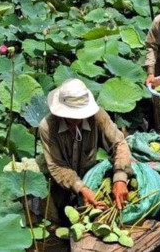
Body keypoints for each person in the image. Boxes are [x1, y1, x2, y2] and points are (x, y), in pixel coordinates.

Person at [39, 78, 133, 225]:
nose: (77, 119)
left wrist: (120, 178)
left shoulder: (97, 117)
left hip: (89, 178)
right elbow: (57, 167)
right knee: (56, 223)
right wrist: (80, 188)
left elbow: (119, 144)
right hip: (56, 184)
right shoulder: (47, 127)